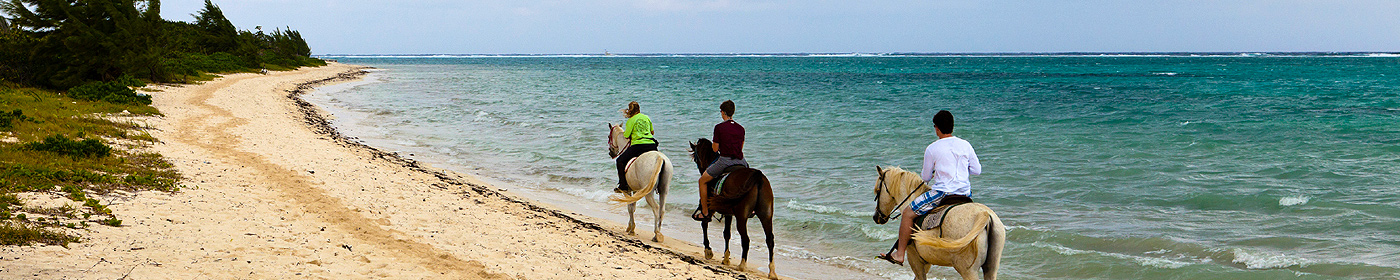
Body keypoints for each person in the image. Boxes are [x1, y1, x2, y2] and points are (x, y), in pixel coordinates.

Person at [879, 110, 982, 265]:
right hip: (965, 194)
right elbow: (977, 171)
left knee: (907, 213)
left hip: (942, 193)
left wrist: (937, 171)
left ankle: (899, 254)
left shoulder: (932, 148)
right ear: (952, 126)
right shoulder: (965, 145)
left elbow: (926, 178)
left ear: (937, 128)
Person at [693, 100, 746, 221]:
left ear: (723, 112)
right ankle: (752, 208)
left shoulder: (719, 127)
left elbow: (715, 149)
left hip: (725, 160)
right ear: (732, 112)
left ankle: (705, 213)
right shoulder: (741, 128)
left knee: (702, 181)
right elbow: (741, 147)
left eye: (721, 111)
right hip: (741, 160)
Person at [614, 101, 658, 193]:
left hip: (638, 146)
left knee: (620, 161)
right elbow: (652, 132)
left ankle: (623, 186)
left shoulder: (631, 120)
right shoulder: (646, 117)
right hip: (651, 145)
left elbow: (626, 135)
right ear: (639, 109)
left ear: (630, 110)